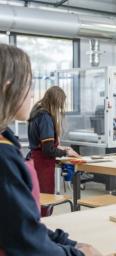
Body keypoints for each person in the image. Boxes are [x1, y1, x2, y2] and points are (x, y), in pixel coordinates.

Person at [0, 43, 102, 255]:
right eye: (28, 84)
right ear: (8, 87)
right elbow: (26, 239)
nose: (30, 94)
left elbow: (23, 222)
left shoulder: (9, 138)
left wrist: (67, 243)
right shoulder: (4, 157)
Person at [28, 86, 80, 216]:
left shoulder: (36, 112)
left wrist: (60, 148)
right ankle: (43, 227)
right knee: (45, 200)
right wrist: (66, 153)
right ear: (56, 102)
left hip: (35, 159)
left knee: (37, 198)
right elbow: (47, 150)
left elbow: (44, 144)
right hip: (42, 164)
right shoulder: (45, 117)